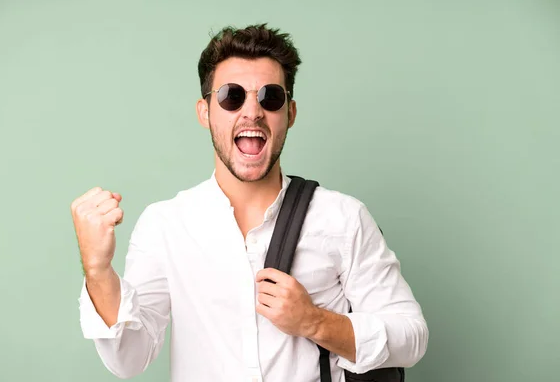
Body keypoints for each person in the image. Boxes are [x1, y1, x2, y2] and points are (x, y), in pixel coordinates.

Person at [71, 23, 428, 382]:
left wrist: (315, 322)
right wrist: (98, 272)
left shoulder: (342, 217)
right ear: (205, 111)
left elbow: (411, 337)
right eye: (231, 96)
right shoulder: (165, 225)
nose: (253, 111)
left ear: (289, 112)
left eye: (270, 97)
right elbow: (128, 360)